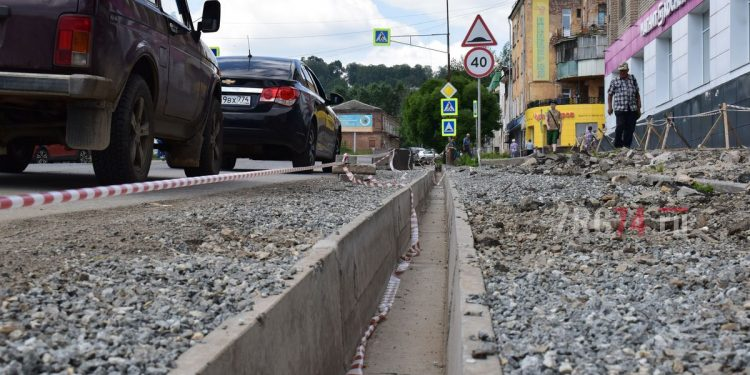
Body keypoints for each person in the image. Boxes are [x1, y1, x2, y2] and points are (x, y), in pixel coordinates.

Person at [607, 62, 641, 148]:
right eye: (620, 71)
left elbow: (637, 93)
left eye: (623, 71)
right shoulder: (615, 81)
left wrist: (639, 107)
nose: (621, 73)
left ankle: (626, 146)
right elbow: (610, 95)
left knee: (630, 128)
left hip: (632, 108)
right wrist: (610, 107)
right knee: (620, 126)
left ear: (627, 70)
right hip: (620, 108)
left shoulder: (632, 79)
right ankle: (618, 145)